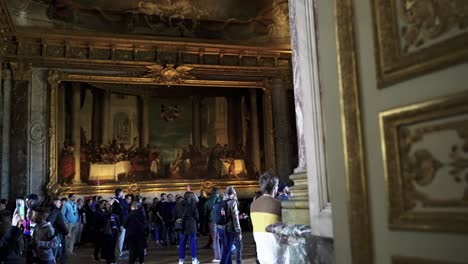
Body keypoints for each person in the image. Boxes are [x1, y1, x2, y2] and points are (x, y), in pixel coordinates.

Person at [250, 172, 284, 264]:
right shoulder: (278, 204)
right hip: (276, 250)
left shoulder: (253, 204)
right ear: (275, 187)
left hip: (261, 252)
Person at [174, 192, 199, 264]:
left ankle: (181, 260)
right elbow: (197, 216)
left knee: (182, 243)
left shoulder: (178, 204)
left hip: (181, 226)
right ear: (191, 197)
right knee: (192, 243)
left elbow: (174, 215)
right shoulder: (192, 205)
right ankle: (194, 259)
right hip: (191, 225)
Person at [219, 186, 242, 264]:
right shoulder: (233, 202)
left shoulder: (221, 201)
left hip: (220, 228)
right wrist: (238, 232)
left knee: (225, 249)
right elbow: (235, 218)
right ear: (233, 193)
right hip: (229, 229)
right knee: (227, 251)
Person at [46, 198, 69, 263]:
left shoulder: (49, 208)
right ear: (55, 202)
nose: (60, 204)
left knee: (55, 250)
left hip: (52, 232)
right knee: (56, 250)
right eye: (59, 202)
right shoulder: (56, 210)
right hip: (56, 233)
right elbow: (61, 222)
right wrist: (67, 232)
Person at [204, 187, 222, 262]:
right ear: (218, 192)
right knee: (222, 238)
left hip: (212, 222)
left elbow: (204, 213)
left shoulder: (207, 201)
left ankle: (217, 257)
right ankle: (225, 254)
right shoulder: (221, 200)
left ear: (212, 192)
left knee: (215, 239)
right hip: (221, 222)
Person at [112, 188, 129, 258]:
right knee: (120, 238)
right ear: (120, 193)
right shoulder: (119, 200)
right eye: (122, 192)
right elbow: (125, 207)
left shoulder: (116, 200)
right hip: (121, 221)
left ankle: (118, 252)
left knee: (119, 238)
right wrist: (123, 199)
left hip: (119, 221)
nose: (123, 193)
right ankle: (119, 254)